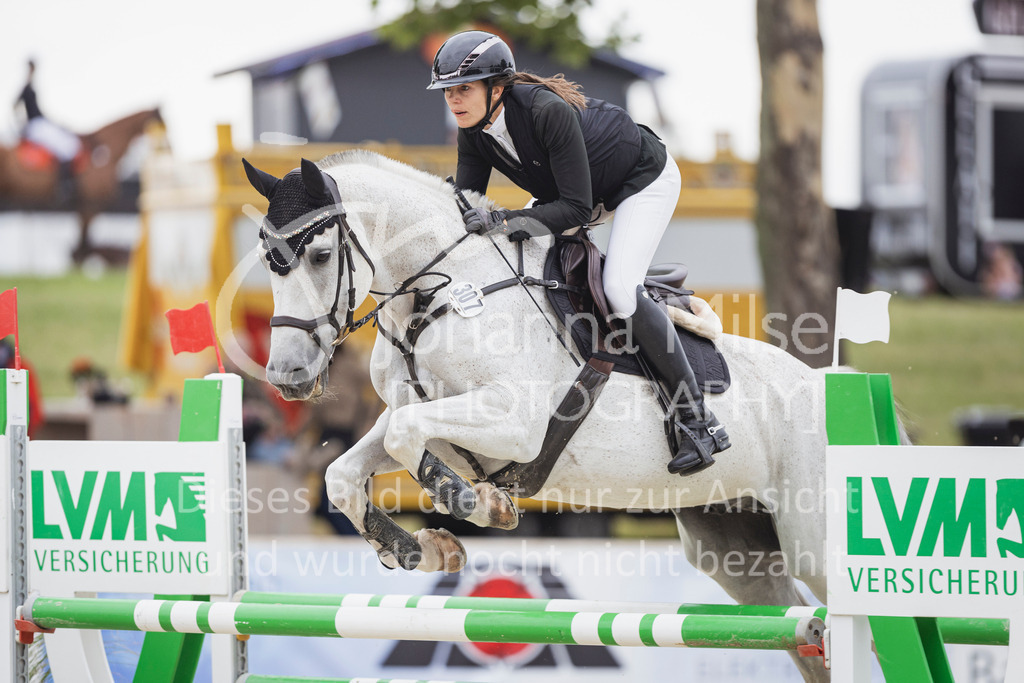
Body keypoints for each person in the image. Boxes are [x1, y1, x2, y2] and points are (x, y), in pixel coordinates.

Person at [426, 30, 730, 476]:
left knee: (620, 292)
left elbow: (575, 209)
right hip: (577, 192)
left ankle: (698, 420)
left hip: (639, 182)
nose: (454, 100)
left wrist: (505, 221)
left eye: (464, 88)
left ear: (498, 88)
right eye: (448, 91)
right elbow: (469, 206)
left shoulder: (545, 112)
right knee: (520, 257)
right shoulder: (474, 130)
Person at [15, 60, 82, 165]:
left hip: (40, 122)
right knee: (64, 146)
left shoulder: (31, 87)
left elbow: (36, 109)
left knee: (66, 140)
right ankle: (65, 179)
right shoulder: (26, 88)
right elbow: (15, 105)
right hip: (35, 125)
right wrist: (22, 124)